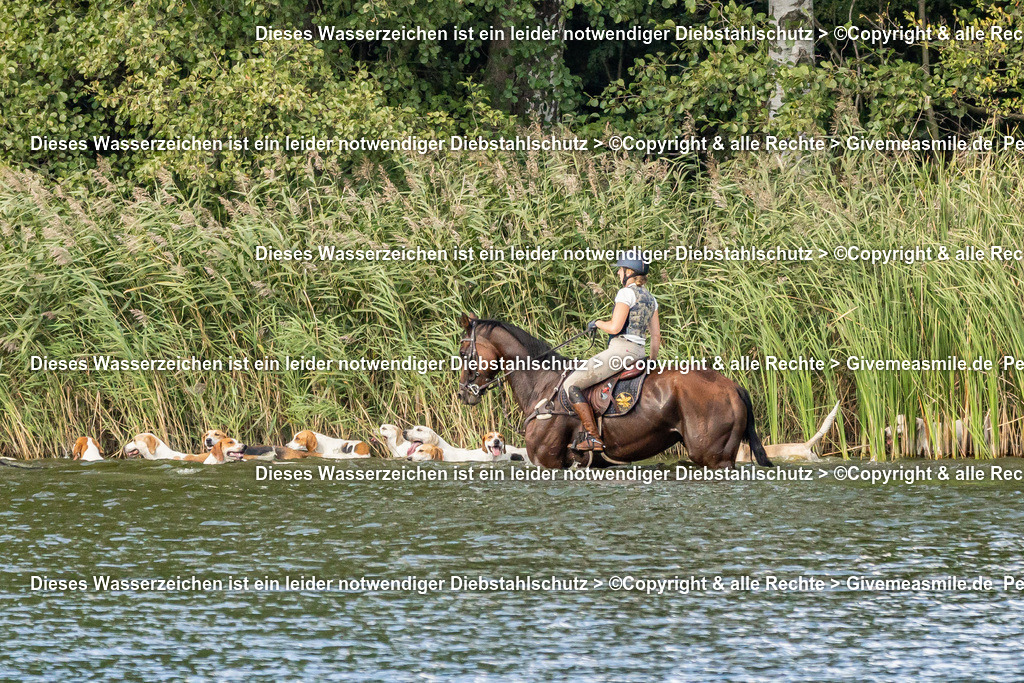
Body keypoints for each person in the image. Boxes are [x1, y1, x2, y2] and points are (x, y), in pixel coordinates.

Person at [563, 249, 661, 451]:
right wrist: (651, 360)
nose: (618, 274)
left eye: (620, 270)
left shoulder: (625, 293)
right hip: (640, 354)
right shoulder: (652, 299)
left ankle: (593, 438)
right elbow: (656, 337)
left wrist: (597, 323)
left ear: (629, 272)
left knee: (571, 384)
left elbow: (615, 327)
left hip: (620, 351)